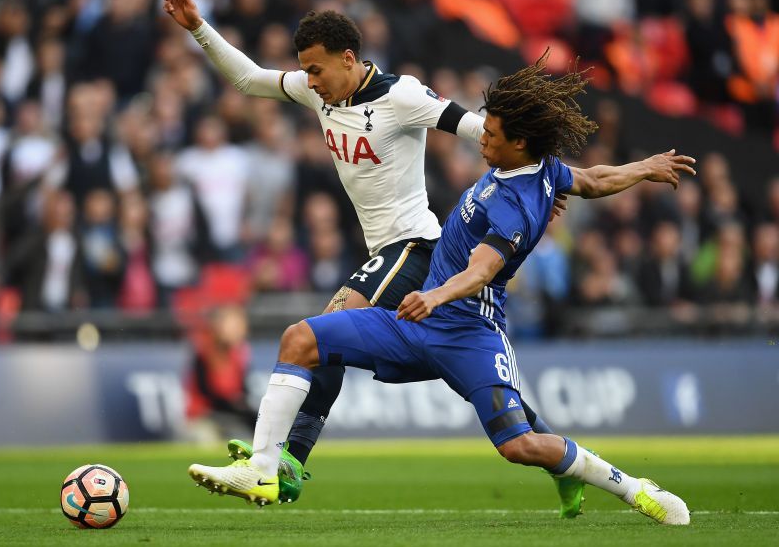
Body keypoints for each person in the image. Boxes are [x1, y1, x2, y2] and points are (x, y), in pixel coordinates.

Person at [187, 53, 696, 525]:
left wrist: (433, 295)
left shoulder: (515, 205)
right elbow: (591, 180)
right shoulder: (539, 169)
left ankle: (630, 487)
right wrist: (643, 170)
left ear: (518, 143)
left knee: (518, 443)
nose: (482, 139)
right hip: (415, 326)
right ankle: (264, 468)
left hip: (469, 332)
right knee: (302, 339)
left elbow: (481, 269)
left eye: (491, 134)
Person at [163, 0, 583, 516]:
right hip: (383, 252)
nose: (310, 82)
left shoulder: (401, 97)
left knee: (319, 331)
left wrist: (536, 177)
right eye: (304, 72)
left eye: (316, 70)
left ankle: (284, 462)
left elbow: (484, 130)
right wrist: (198, 27)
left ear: (349, 58)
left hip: (416, 246)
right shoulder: (320, 92)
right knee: (451, 381)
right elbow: (248, 79)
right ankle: (558, 461)